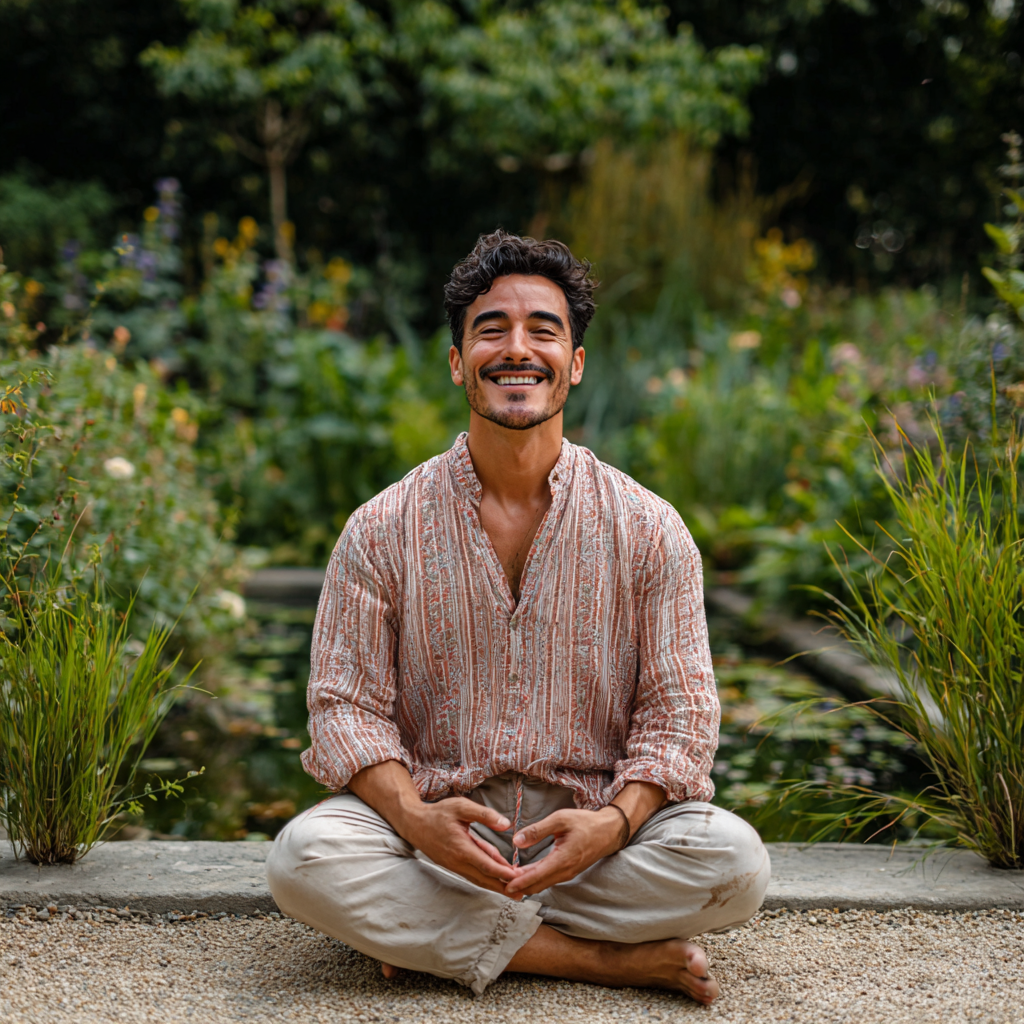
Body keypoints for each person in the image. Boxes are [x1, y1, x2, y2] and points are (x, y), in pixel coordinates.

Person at [266, 229, 771, 1004]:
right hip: (433, 834)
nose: (516, 349)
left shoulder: (649, 527)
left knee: (735, 863)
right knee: (303, 858)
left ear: (573, 363)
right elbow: (343, 709)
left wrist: (615, 824)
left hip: (592, 841)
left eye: (544, 329)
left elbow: (681, 715)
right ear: (457, 361)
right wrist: (415, 816)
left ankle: (436, 936)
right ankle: (596, 960)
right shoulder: (381, 526)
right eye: (491, 329)